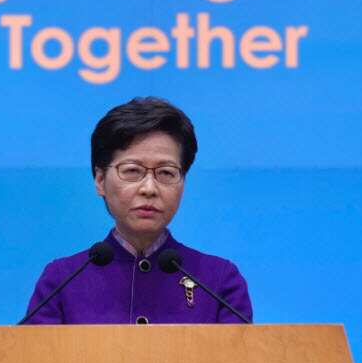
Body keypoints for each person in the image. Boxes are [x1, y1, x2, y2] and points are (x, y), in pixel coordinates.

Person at [24, 97, 252, 324]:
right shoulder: (61, 281)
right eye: (132, 171)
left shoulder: (219, 281)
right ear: (100, 180)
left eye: (166, 173)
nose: (149, 188)